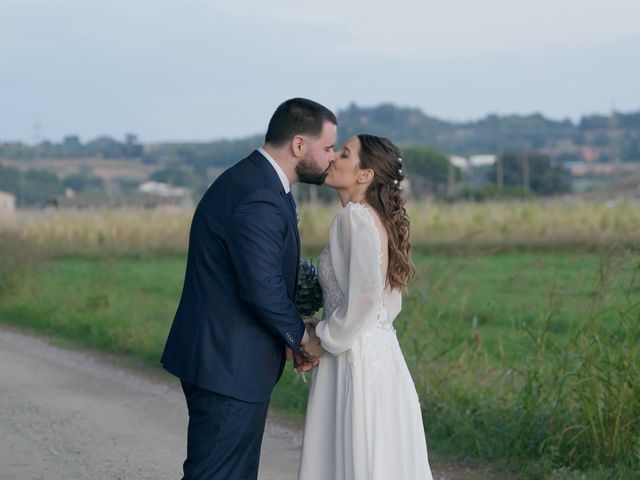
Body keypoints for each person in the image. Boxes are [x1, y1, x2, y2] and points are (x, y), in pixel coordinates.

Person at [161, 98, 336, 479]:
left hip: (231, 359)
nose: (332, 158)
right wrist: (299, 337)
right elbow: (262, 286)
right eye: (327, 148)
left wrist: (291, 329)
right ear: (299, 145)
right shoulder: (257, 192)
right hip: (227, 361)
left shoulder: (259, 183)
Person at [298, 134, 433, 479]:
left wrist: (323, 336)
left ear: (364, 175)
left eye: (344, 154)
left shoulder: (354, 217)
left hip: (351, 357)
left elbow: (367, 296)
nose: (333, 159)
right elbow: (390, 303)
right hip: (383, 355)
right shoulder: (374, 218)